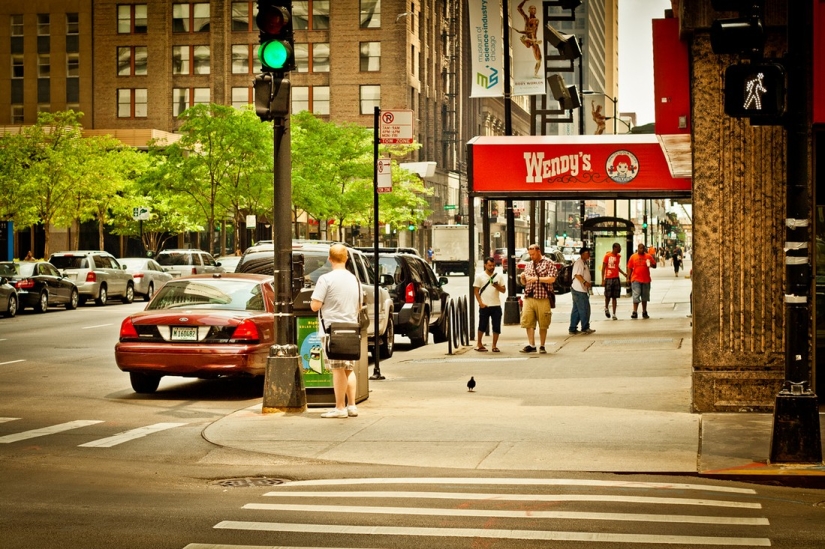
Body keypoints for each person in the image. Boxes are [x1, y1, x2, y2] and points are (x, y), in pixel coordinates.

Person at [310, 244, 361, 419]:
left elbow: (315, 305)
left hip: (332, 331)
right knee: (348, 369)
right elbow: (359, 305)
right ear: (346, 258)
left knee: (338, 369)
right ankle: (352, 406)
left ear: (329, 259)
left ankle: (340, 408)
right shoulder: (354, 279)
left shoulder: (325, 279)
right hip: (351, 328)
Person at [518, 244, 557, 353]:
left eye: (533, 254)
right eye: (530, 255)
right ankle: (532, 345)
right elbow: (524, 282)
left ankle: (542, 345)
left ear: (539, 251)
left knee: (543, 322)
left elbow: (552, 279)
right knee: (528, 321)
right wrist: (523, 278)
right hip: (529, 296)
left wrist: (537, 279)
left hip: (542, 297)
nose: (531, 257)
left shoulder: (548, 263)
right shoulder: (528, 265)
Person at [473, 257, 505, 352]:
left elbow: (503, 290)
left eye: (493, 265)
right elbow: (476, 291)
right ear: (485, 265)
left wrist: (497, 286)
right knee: (482, 325)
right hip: (485, 305)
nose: (492, 267)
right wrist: (480, 303)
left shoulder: (498, 276)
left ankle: (494, 345)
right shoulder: (480, 276)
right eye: (490, 265)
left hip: (496, 305)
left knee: (496, 326)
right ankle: (479, 343)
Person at [627, 243, 657, 319]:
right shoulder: (633, 257)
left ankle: (644, 311)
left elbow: (655, 265)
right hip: (636, 279)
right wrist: (628, 277)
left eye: (643, 248)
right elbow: (629, 267)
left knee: (645, 297)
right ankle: (634, 311)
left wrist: (650, 264)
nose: (641, 250)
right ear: (638, 248)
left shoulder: (648, 256)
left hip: (646, 279)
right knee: (636, 295)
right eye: (640, 248)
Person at [569, 247, 595, 335]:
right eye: (587, 253)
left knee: (576, 310)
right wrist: (584, 282)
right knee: (584, 309)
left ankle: (572, 328)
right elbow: (577, 275)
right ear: (583, 254)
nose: (589, 255)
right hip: (579, 289)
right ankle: (585, 327)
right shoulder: (579, 262)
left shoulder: (584, 262)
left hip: (581, 289)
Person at [515, 0, 542, 76]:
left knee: (539, 60)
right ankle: (526, 40)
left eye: (534, 9)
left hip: (533, 40)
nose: (533, 10)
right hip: (529, 39)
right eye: (532, 8)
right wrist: (525, 1)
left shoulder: (536, 20)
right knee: (525, 40)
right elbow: (519, 8)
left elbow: (531, 30)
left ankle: (535, 74)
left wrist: (520, 31)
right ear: (529, 10)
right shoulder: (526, 18)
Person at [601, 242, 627, 321]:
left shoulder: (618, 256)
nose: (620, 249)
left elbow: (616, 267)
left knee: (614, 297)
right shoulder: (607, 256)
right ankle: (606, 307)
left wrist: (623, 273)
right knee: (607, 295)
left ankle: (614, 314)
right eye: (619, 248)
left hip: (616, 278)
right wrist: (603, 279)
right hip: (608, 277)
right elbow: (603, 268)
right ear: (615, 248)